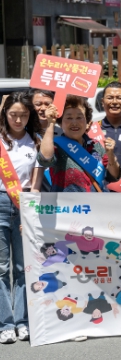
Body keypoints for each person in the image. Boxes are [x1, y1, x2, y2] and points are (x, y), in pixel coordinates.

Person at [0, 92, 42, 344]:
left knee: (22, 267)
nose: (18, 120)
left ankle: (23, 321)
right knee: (1, 268)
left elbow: (36, 181)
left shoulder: (35, 141)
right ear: (4, 114)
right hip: (0, 202)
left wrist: (30, 208)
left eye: (23, 115)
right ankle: (5, 323)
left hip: (24, 204)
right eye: (13, 114)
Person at [38, 97, 121, 192]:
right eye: (69, 118)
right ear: (60, 123)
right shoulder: (57, 146)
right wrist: (50, 123)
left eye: (79, 117)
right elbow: (45, 159)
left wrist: (111, 156)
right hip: (66, 201)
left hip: (95, 201)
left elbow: (114, 176)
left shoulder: (95, 145)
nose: (74, 122)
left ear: (87, 122)